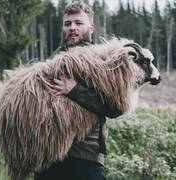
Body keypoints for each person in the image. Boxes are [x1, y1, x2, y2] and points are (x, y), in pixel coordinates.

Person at [35, 1, 122, 180]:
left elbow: (114, 108)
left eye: (78, 23)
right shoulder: (53, 59)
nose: (72, 28)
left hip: (85, 156)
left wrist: (74, 90)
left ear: (90, 27)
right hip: (49, 154)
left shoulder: (103, 61)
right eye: (68, 24)